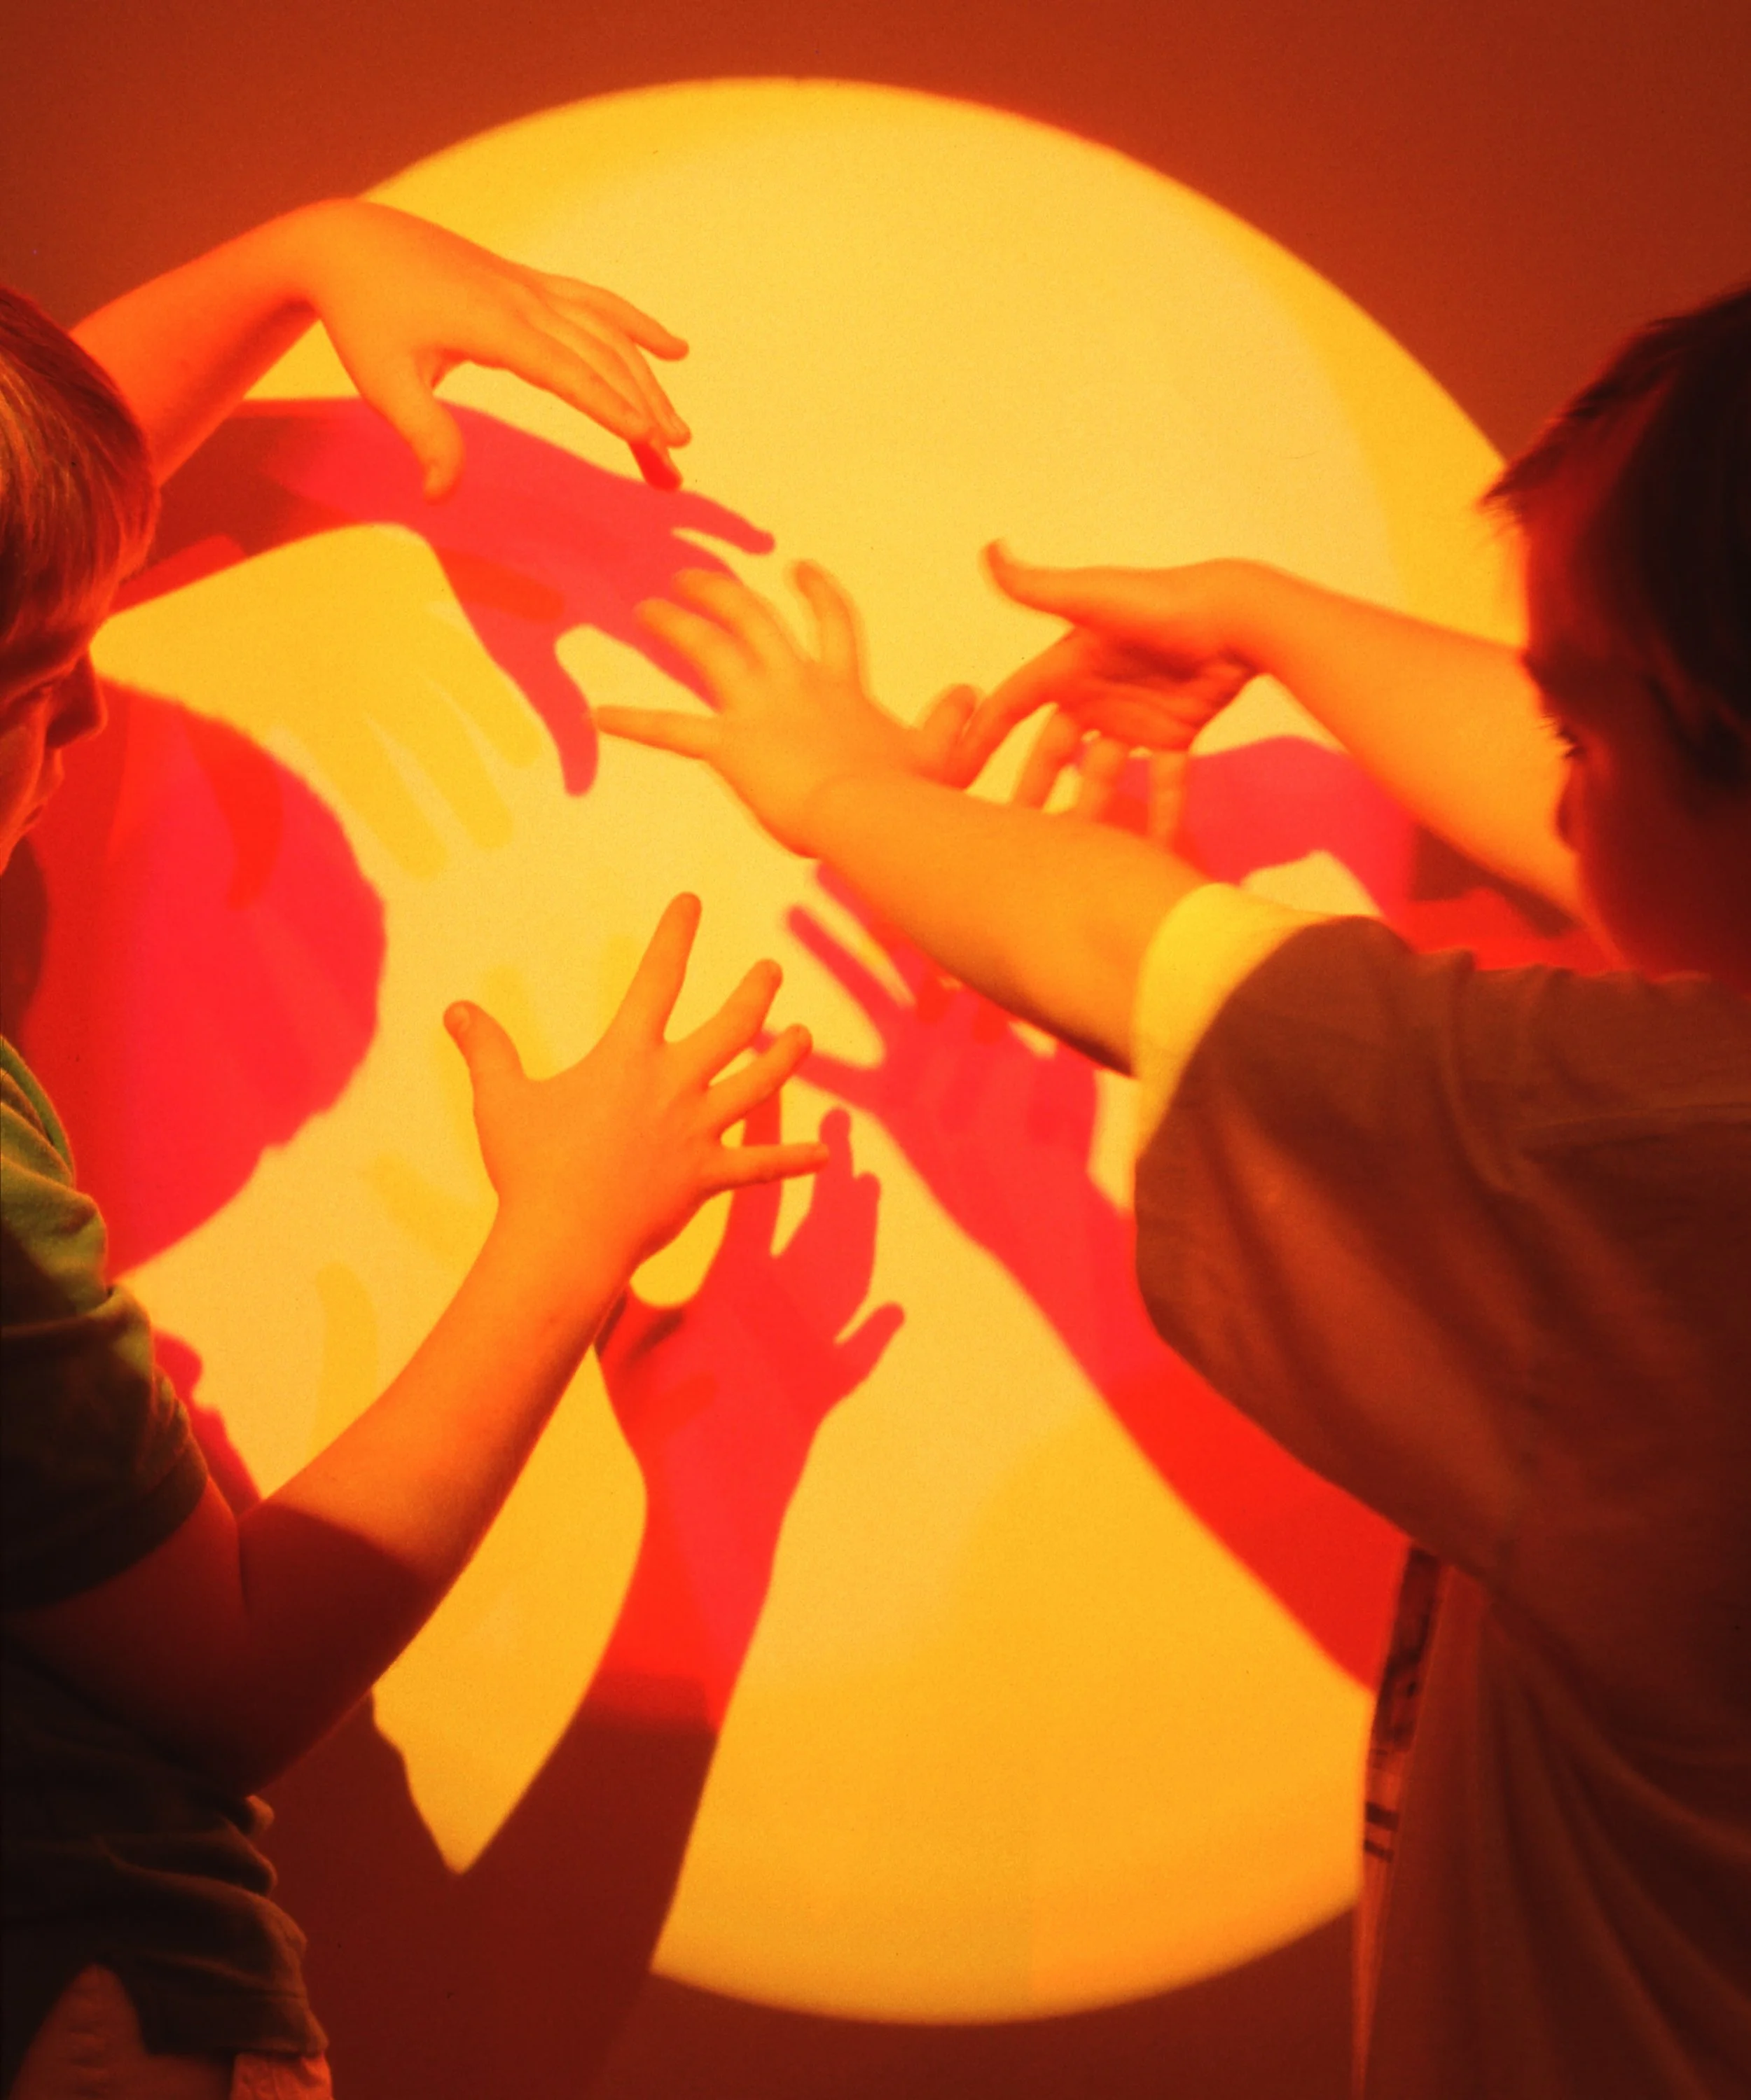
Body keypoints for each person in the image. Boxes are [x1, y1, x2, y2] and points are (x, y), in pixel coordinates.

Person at [597, 281, 1751, 2097]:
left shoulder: (1649, 1166)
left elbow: (1134, 950)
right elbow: (1656, 809)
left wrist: (838, 787)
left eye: (1578, 741)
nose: (1552, 793)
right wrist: (1264, 619)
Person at [2, 202, 827, 2098]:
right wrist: (571, 1231)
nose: (92, 702)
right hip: (90, 2009)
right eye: (31, 686)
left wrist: (291, 262)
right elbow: (230, 1678)